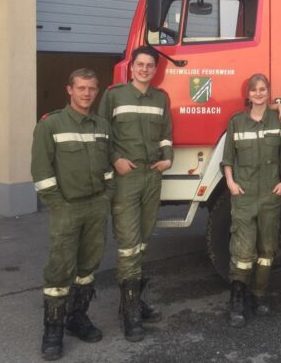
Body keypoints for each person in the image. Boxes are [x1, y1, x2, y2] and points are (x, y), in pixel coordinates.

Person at [31, 68, 113, 360]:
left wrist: (107, 194)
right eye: (81, 88)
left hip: (96, 206)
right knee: (60, 269)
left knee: (88, 266)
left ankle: (77, 319)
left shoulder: (102, 125)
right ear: (70, 90)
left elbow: (108, 163)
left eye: (92, 88)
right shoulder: (51, 125)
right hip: (67, 207)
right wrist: (57, 203)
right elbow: (41, 170)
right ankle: (52, 330)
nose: (87, 93)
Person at [97, 45, 173, 341]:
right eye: (139, 65)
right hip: (126, 178)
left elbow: (166, 132)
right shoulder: (114, 95)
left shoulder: (161, 98)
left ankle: (134, 300)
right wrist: (115, 158)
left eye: (149, 66)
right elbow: (103, 133)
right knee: (128, 244)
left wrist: (168, 157)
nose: (144, 69)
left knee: (142, 241)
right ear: (131, 67)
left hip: (152, 176)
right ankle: (130, 313)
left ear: (155, 70)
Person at [222, 74, 281, 327]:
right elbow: (228, 158)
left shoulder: (279, 119)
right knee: (242, 249)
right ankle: (237, 299)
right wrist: (230, 182)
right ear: (248, 95)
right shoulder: (237, 122)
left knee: (267, 250)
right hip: (244, 195)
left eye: (263, 90)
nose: (259, 93)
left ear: (268, 93)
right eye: (255, 90)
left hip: (271, 195)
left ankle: (259, 295)